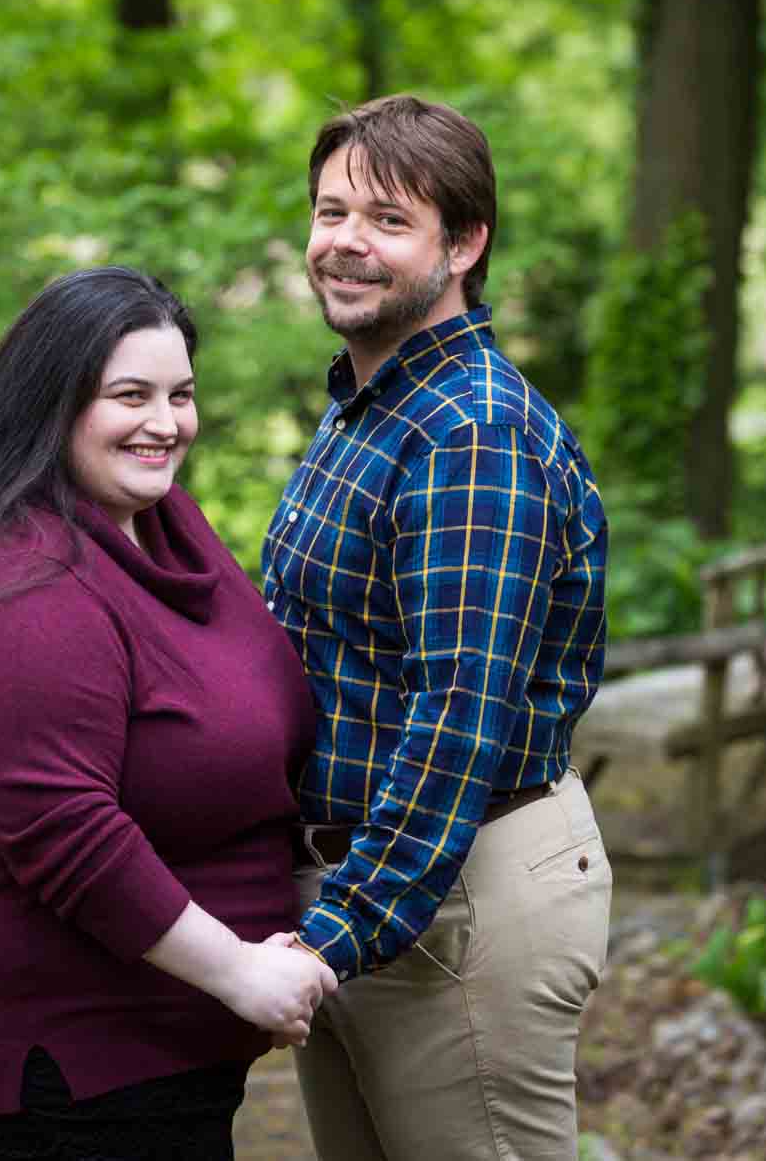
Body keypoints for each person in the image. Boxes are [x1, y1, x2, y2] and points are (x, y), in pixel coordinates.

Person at [0, 266, 338, 1160]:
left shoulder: (161, 522)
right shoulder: (20, 587)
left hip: (155, 1040)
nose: (166, 422)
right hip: (62, 1048)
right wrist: (241, 971)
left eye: (181, 394)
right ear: (51, 406)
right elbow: (65, 829)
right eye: (129, 394)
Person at [259, 95, 613, 1161]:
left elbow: (456, 719)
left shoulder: (469, 434)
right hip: (374, 888)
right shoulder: (367, 406)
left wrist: (337, 932)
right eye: (329, 212)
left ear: (462, 243)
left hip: (447, 900)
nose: (344, 243)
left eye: (385, 219)